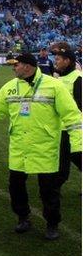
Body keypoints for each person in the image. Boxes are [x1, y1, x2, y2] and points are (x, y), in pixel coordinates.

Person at [0, 53, 82, 240]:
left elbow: (73, 116)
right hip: (19, 148)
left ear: (28, 66)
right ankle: (23, 217)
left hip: (45, 148)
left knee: (49, 190)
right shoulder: (10, 87)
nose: (13, 68)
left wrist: (77, 145)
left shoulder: (54, 86)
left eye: (16, 65)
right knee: (16, 187)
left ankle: (52, 223)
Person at [53, 47, 82, 185]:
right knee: (62, 159)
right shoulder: (59, 78)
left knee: (75, 156)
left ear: (67, 60)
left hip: (73, 128)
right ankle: (55, 188)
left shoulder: (78, 78)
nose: (55, 61)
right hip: (60, 128)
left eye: (58, 59)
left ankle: (54, 188)